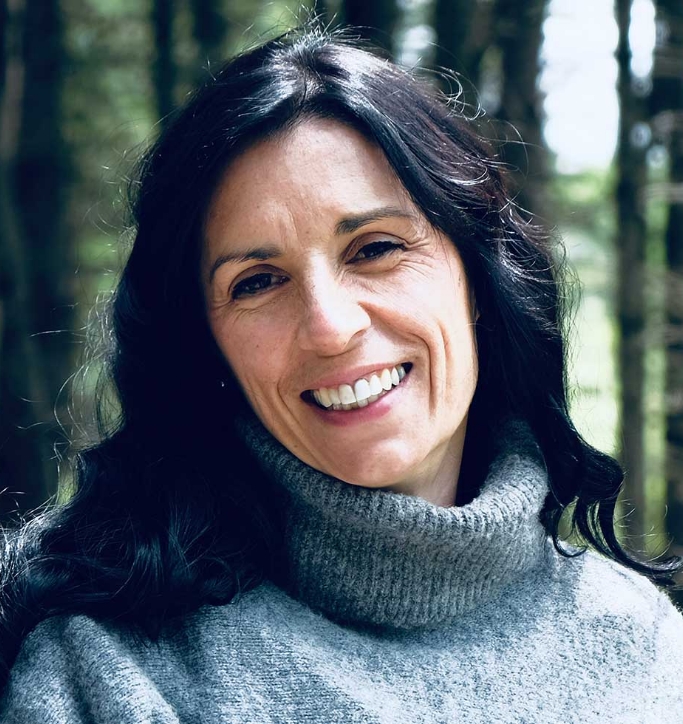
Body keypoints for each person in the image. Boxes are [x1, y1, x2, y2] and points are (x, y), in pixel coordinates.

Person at [1, 26, 682, 724]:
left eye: (375, 248)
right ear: (206, 346)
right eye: (257, 281)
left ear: (476, 277)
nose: (330, 326)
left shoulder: (645, 650)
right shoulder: (109, 672)